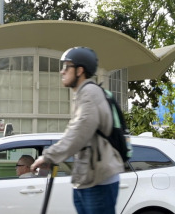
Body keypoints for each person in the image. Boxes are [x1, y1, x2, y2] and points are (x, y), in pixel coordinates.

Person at [28, 47, 125, 214]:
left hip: (99, 182)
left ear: (80, 71)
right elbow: (73, 131)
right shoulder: (82, 94)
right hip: (87, 178)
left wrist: (49, 156)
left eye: (67, 67)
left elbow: (78, 134)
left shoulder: (89, 93)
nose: (61, 71)